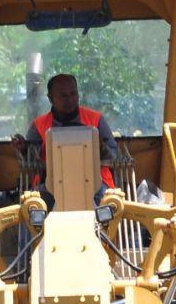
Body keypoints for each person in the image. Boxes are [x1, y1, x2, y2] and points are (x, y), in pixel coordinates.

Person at [10, 74, 119, 208]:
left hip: (96, 183)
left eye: (73, 93)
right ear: (50, 98)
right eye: (63, 95)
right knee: (31, 208)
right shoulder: (39, 125)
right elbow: (33, 162)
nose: (70, 99)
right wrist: (24, 149)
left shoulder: (96, 120)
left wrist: (101, 148)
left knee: (108, 206)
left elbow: (114, 158)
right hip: (51, 185)